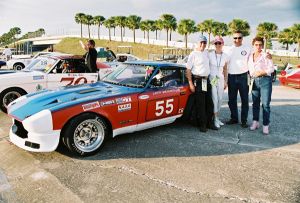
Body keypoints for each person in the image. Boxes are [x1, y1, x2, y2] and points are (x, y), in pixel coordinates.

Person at [186, 35, 217, 132]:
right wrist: (191, 83)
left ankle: (210, 123)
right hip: (198, 81)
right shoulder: (193, 54)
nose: (203, 44)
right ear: (197, 43)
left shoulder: (207, 53)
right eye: (201, 42)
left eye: (204, 42)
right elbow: (188, 70)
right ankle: (202, 124)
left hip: (206, 81)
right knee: (201, 104)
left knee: (210, 103)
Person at [248, 37, 274, 135]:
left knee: (265, 104)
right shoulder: (250, 56)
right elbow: (250, 68)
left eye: (260, 45)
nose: (258, 46)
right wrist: (253, 74)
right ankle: (255, 122)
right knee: (255, 103)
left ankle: (266, 125)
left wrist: (261, 72)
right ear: (253, 45)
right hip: (254, 82)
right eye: (256, 45)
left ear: (262, 45)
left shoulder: (266, 55)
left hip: (265, 81)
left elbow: (271, 69)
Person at [226, 31, 251, 128]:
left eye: (239, 38)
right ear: (232, 39)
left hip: (243, 77)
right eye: (235, 38)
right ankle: (234, 118)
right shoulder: (228, 50)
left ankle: (244, 121)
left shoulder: (247, 49)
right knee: (232, 100)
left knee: (244, 100)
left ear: (242, 38)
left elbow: (254, 58)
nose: (237, 40)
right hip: (231, 77)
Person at [209, 36, 228, 128]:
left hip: (220, 78)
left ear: (222, 44)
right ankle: (215, 119)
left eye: (219, 43)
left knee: (220, 99)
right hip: (212, 78)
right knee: (214, 99)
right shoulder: (210, 54)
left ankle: (217, 117)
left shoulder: (225, 56)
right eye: (216, 43)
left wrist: (225, 81)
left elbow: (225, 69)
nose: (217, 45)